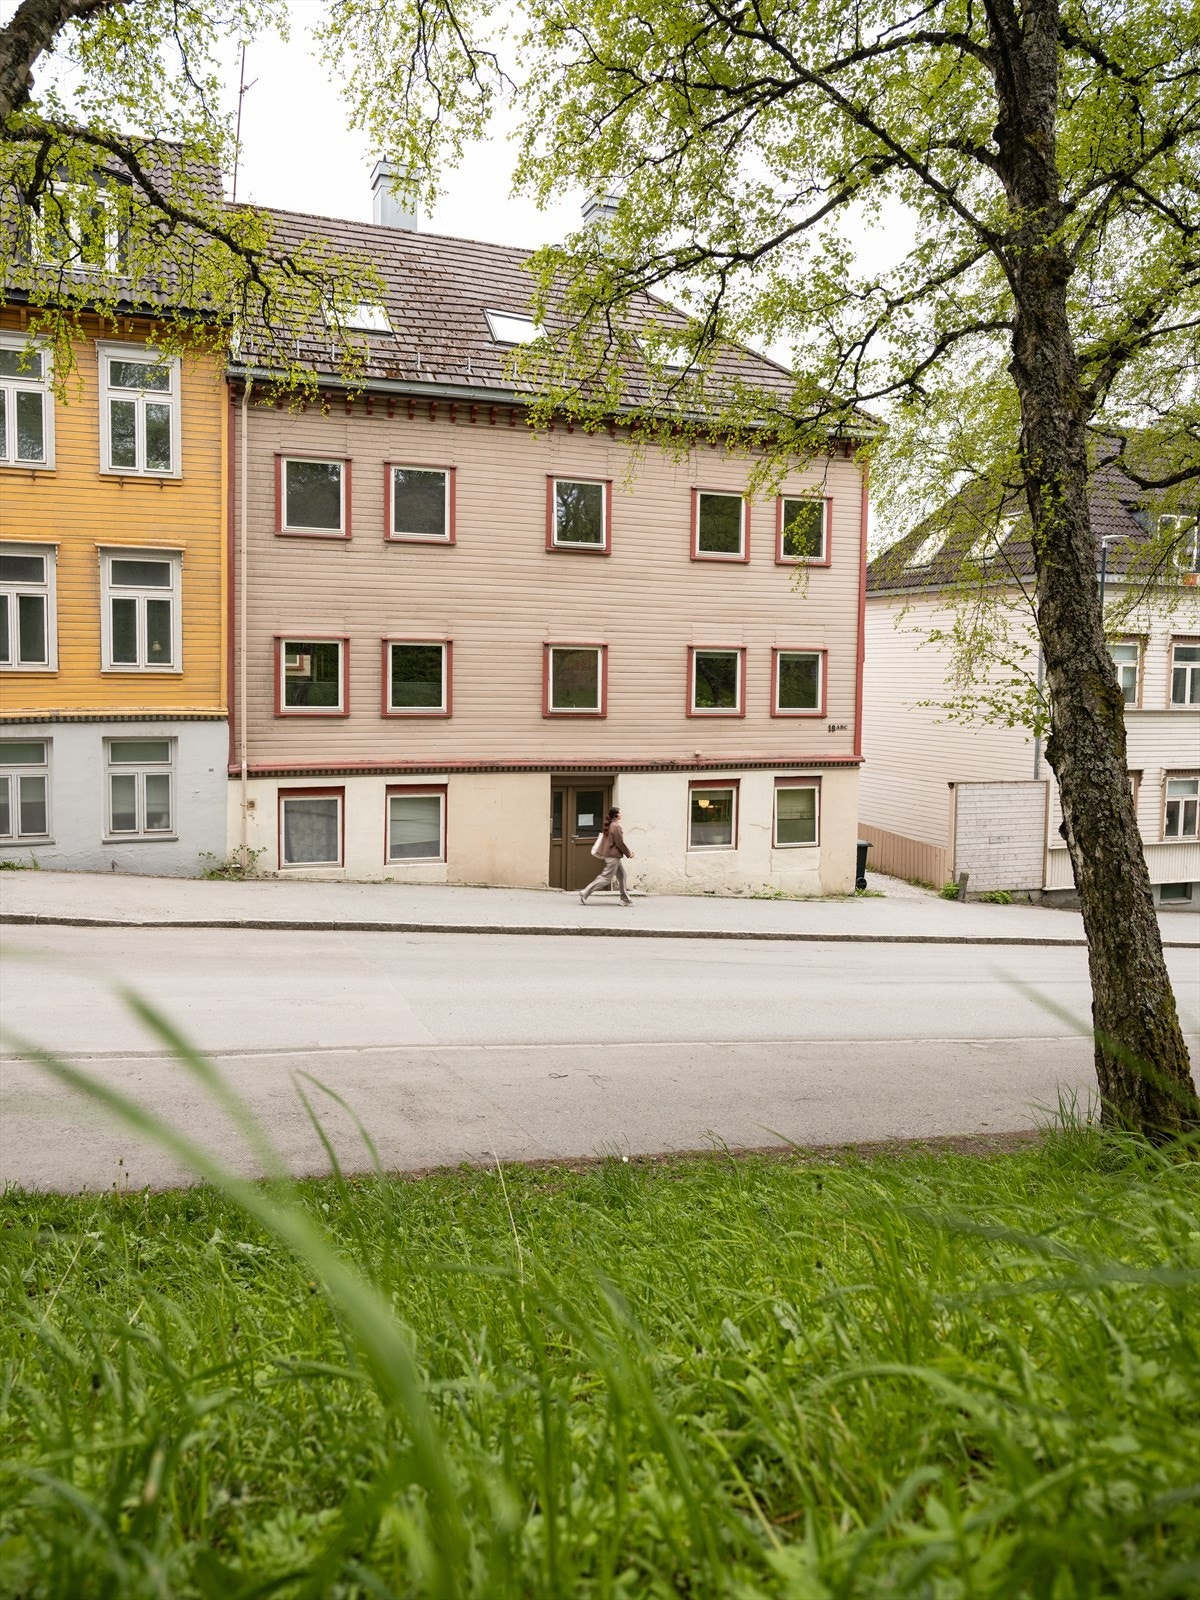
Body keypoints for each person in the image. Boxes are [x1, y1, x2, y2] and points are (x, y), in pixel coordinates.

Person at [580, 806, 634, 906]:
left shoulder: (611, 825)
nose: (621, 814)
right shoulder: (616, 826)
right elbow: (620, 843)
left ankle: (625, 899)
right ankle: (586, 892)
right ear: (616, 815)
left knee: (622, 876)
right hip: (613, 857)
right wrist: (629, 853)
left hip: (612, 856)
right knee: (606, 878)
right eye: (620, 813)